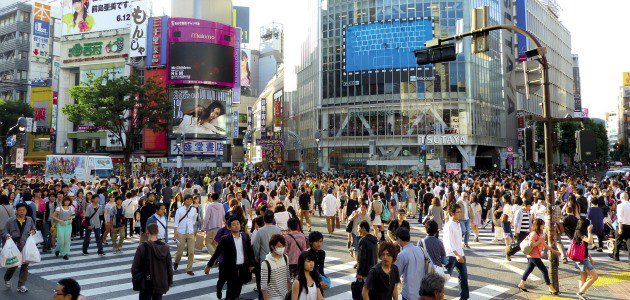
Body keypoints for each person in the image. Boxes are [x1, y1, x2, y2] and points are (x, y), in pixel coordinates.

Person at [205, 216, 255, 300]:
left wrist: (251, 264)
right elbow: (217, 253)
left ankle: (236, 297)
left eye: (238, 224)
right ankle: (221, 291)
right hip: (231, 268)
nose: (236, 226)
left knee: (238, 288)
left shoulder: (245, 237)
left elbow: (250, 252)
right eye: (234, 224)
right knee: (230, 290)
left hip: (242, 267)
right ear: (229, 227)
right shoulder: (225, 239)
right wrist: (209, 265)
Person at [517, 218, 560, 295]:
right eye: (543, 224)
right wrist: (540, 240)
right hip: (534, 255)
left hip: (535, 255)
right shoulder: (534, 234)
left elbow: (545, 245)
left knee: (529, 270)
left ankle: (521, 284)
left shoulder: (540, 234)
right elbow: (532, 245)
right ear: (539, 225)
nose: (544, 226)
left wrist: (555, 251)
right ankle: (550, 287)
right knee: (544, 271)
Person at [131, 223, 174, 300]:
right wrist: (169, 281)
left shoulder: (142, 248)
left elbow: (134, 268)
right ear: (157, 232)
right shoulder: (165, 248)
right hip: (160, 283)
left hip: (146, 283)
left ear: (147, 232)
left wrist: (138, 277)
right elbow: (169, 267)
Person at [3, 203, 36, 293]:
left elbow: (34, 229)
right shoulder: (10, 221)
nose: (22, 212)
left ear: (26, 211)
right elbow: (4, 231)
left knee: (25, 266)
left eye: (23, 210)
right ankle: (7, 278)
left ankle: (21, 285)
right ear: (16, 211)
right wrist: (6, 235)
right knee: (14, 265)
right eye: (20, 210)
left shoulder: (29, 219)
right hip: (14, 246)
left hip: (25, 246)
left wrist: (33, 231)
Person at [253, 210, 283, 298]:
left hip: (264, 260)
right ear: (273, 219)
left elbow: (256, 247)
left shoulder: (260, 231)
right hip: (276, 259)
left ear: (263, 219)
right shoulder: (278, 230)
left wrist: (256, 257)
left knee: (264, 283)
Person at [443, 204, 469, 300]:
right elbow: (448, 243)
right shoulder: (449, 225)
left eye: (460, 212)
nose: (460, 214)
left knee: (464, 277)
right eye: (458, 212)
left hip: (460, 254)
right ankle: (436, 296)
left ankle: (464, 298)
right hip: (451, 256)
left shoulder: (458, 223)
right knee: (444, 278)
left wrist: (460, 253)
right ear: (452, 213)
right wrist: (457, 255)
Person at [395, 228, 425, 300]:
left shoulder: (402, 255)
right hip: (422, 291)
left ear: (398, 238)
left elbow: (396, 275)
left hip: (409, 293)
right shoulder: (420, 249)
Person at [260, 234, 291, 300]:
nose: (282, 248)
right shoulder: (266, 263)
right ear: (272, 247)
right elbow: (264, 286)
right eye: (279, 246)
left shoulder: (286, 258)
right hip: (273, 297)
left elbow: (288, 278)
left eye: (283, 246)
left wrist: (288, 294)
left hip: (285, 295)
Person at [173, 194, 198, 276]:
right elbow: (176, 223)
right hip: (181, 232)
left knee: (191, 252)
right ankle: (176, 262)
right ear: (184, 200)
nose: (189, 201)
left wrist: (194, 230)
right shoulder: (179, 210)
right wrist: (175, 234)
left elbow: (194, 221)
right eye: (187, 199)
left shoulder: (194, 209)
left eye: (190, 200)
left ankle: (189, 269)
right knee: (179, 252)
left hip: (190, 232)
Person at [611, 192, 630, 261]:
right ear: (627, 198)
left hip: (622, 225)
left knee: (618, 241)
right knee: (629, 243)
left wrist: (620, 228)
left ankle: (616, 256)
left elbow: (620, 218)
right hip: (629, 225)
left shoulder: (620, 205)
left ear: (621, 198)